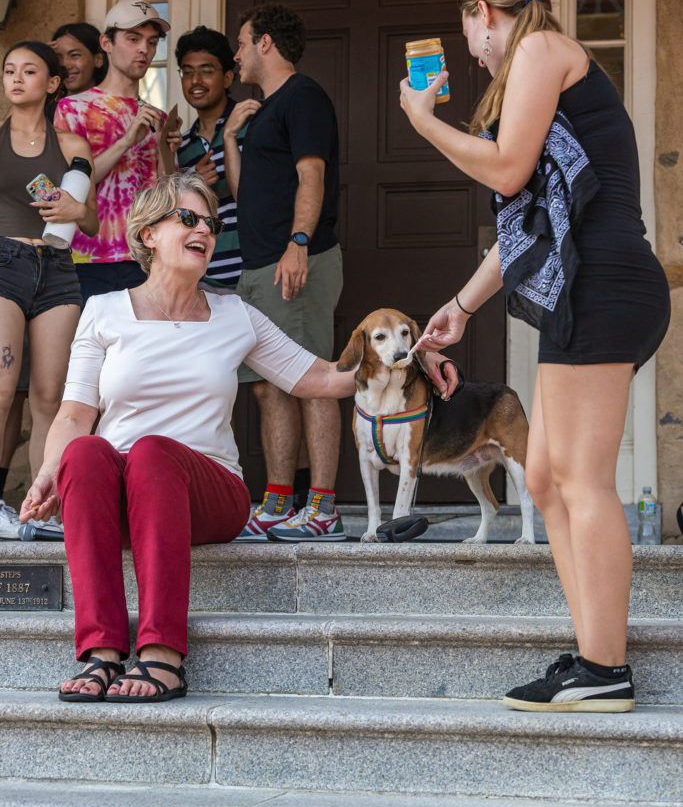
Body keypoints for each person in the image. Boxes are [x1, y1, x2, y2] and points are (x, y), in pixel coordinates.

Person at [20, 172, 455, 701]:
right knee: (86, 451)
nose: (205, 228)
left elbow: (319, 378)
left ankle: (162, 654)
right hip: (125, 493)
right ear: (149, 232)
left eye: (211, 221)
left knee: (154, 452)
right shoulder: (104, 311)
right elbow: (72, 414)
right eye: (188, 218)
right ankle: (100, 652)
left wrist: (412, 356)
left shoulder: (235, 315)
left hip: (209, 491)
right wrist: (47, 473)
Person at [402, 0, 671, 713]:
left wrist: (425, 122)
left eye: (470, 39)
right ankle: (589, 652)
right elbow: (528, 223)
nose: (474, 56)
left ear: (486, 12)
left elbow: (510, 169)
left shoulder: (542, 49)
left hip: (604, 281)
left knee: (580, 478)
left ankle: (604, 665)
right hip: (586, 285)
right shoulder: (534, 69)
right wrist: (461, 305)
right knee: (546, 477)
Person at [224, 4, 345, 541]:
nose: (236, 54)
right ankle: (277, 503)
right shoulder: (262, 110)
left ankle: (322, 508)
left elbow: (311, 175)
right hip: (257, 266)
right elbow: (244, 193)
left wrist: (298, 244)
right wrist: (230, 138)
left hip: (293, 262)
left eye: (242, 43)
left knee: (314, 381)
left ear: (266, 43)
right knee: (269, 388)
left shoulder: (304, 97)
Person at [0, 41, 98, 539]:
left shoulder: (73, 146)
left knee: (49, 398)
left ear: (53, 83)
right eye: (9, 70)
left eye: (29, 70)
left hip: (58, 268)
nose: (16, 79)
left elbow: (95, 223)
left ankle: (42, 510)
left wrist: (74, 210)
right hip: (3, 262)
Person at [54, 0, 171, 302]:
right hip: (87, 259)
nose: (144, 49)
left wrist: (167, 151)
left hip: (147, 259)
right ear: (106, 43)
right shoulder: (72, 109)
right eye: (133, 39)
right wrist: (126, 140)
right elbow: (65, 191)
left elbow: (165, 193)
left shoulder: (158, 117)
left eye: (152, 42)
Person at [172, 25, 242, 287]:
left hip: (257, 271)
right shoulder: (182, 146)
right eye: (187, 72)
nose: (195, 81)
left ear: (227, 78)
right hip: (207, 276)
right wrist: (194, 182)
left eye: (206, 71)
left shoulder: (253, 125)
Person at [51, 22, 107, 96]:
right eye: (58, 57)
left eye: (74, 55)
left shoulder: (113, 105)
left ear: (98, 60)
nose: (65, 64)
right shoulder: (47, 105)